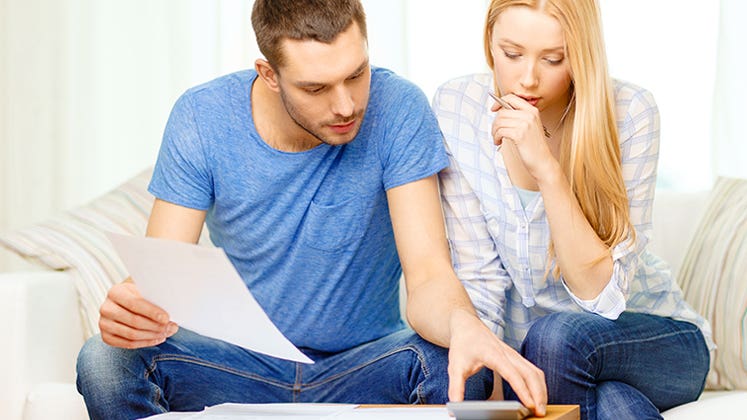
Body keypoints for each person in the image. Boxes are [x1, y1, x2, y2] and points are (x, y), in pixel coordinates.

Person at [73, 1, 542, 418]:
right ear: (269, 74)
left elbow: (427, 276)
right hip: (235, 365)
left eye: (356, 75)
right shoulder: (201, 117)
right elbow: (162, 276)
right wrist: (134, 310)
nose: (346, 105)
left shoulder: (399, 108)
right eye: (317, 89)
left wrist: (466, 325)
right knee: (105, 360)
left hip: (366, 363)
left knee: (460, 363)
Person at [434, 0, 713, 418]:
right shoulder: (457, 107)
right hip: (550, 361)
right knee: (614, 403)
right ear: (488, 41)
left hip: (656, 338)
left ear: (580, 54)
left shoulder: (631, 112)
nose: (528, 77)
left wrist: (547, 170)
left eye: (553, 59)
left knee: (555, 338)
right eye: (511, 54)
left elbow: (601, 296)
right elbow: (478, 281)